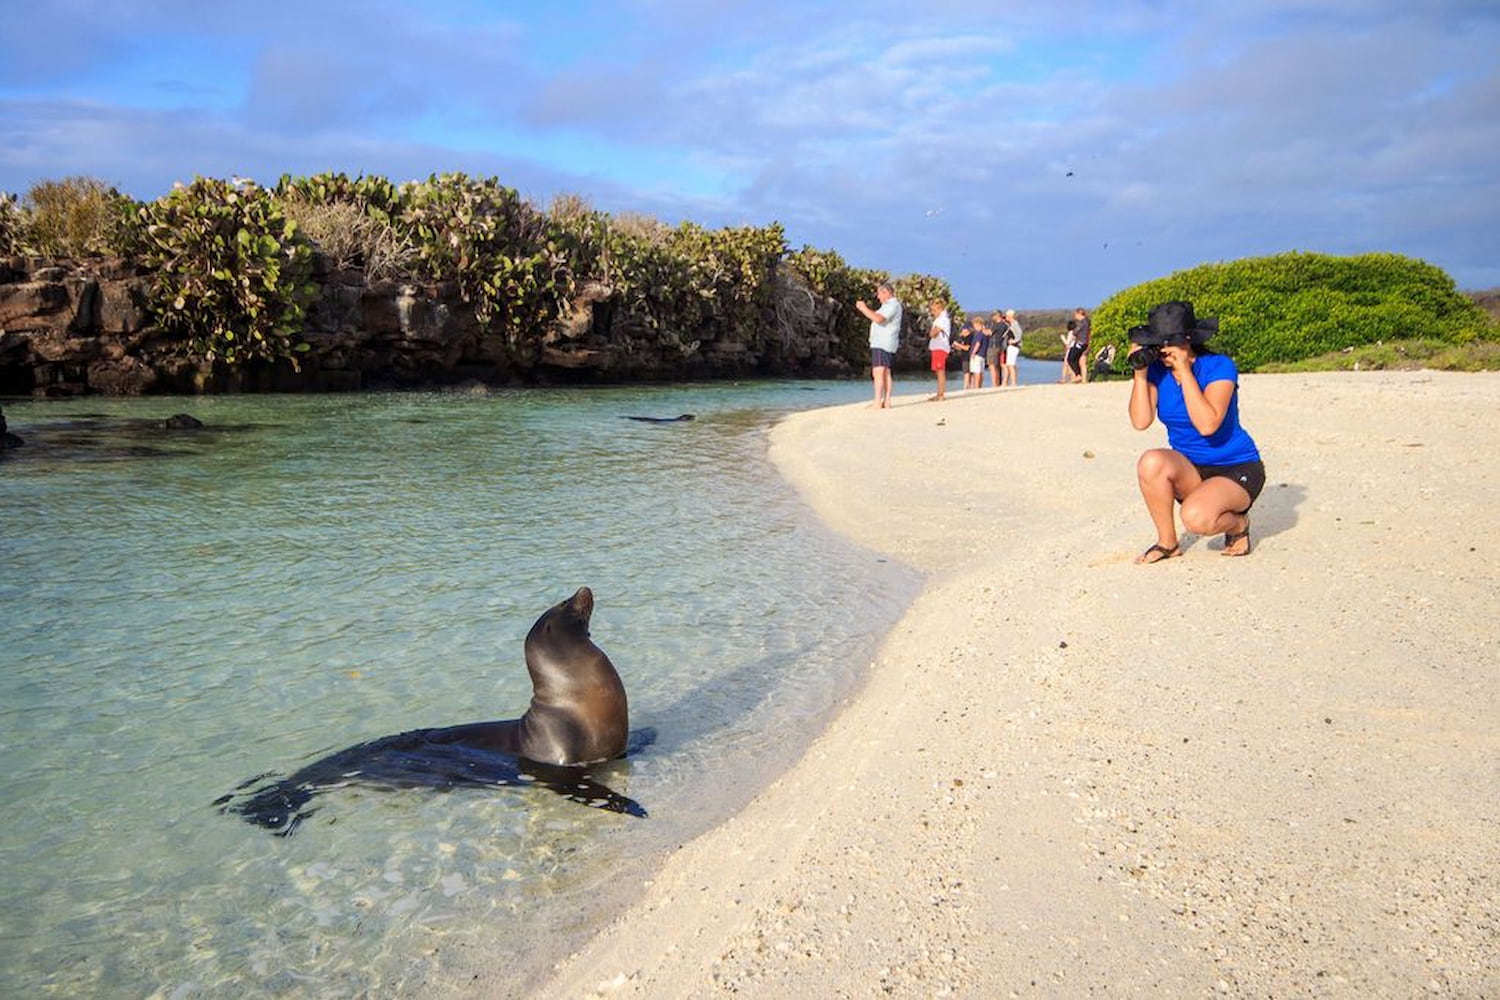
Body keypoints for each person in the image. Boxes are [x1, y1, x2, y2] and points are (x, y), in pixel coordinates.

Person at [1127, 300, 1265, 564]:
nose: (1163, 350)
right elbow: (1140, 421)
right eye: (1158, 343)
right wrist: (1141, 375)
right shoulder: (1157, 372)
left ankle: (1237, 524)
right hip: (1190, 467)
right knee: (1150, 462)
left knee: (1196, 519)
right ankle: (1168, 543)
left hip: (1235, 466)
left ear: (1188, 341)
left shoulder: (1219, 366)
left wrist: (1185, 372)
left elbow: (1207, 424)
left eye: (1168, 342)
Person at [855, 282, 902, 409]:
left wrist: (863, 308)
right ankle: (885, 401)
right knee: (885, 372)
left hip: (883, 342)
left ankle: (878, 401)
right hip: (883, 342)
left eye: (879, 294)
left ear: (886, 292)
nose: (878, 297)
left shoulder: (892, 305)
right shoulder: (889, 305)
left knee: (878, 371)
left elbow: (878, 319)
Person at [926, 299, 952, 401]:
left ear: (939, 308)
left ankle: (940, 395)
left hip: (940, 347)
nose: (933, 312)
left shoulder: (942, 319)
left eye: (934, 310)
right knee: (938, 371)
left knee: (940, 371)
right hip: (938, 347)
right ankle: (940, 393)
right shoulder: (942, 319)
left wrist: (932, 332)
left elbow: (933, 333)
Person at [1068, 307, 1092, 383]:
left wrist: (1073, 331)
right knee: (1076, 360)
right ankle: (1079, 376)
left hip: (1080, 343)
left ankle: (1078, 375)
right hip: (1085, 343)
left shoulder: (1082, 323)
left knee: (1070, 359)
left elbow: (1075, 332)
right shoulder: (1088, 322)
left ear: (1079, 314)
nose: (1075, 316)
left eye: (1076, 314)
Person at [965, 318, 990, 390]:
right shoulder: (984, 334)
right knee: (981, 371)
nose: (974, 327)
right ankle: (979, 386)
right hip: (982, 355)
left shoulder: (979, 334)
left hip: (977, 355)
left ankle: (976, 386)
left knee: (976, 372)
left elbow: (977, 344)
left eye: (975, 326)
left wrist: (973, 353)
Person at [1002, 308, 1022, 386]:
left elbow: (1019, 335)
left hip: (1013, 346)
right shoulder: (1011, 324)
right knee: (1010, 364)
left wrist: (1014, 341)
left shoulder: (1014, 324)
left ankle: (1013, 382)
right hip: (1011, 346)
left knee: (1011, 364)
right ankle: (1013, 381)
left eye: (1007, 316)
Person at [986, 311, 1005, 388]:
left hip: (993, 346)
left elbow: (989, 333)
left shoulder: (996, 325)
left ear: (998, 316)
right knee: (997, 366)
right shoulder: (1004, 325)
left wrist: (983, 330)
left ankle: (994, 383)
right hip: (999, 346)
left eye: (994, 315)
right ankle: (998, 383)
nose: (992, 317)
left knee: (992, 365)